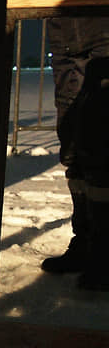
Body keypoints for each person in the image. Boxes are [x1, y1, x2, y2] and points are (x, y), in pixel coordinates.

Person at [41, 17, 109, 291]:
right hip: (66, 38)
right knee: (73, 149)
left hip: (102, 32)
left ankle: (104, 252)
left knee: (102, 148)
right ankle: (85, 241)